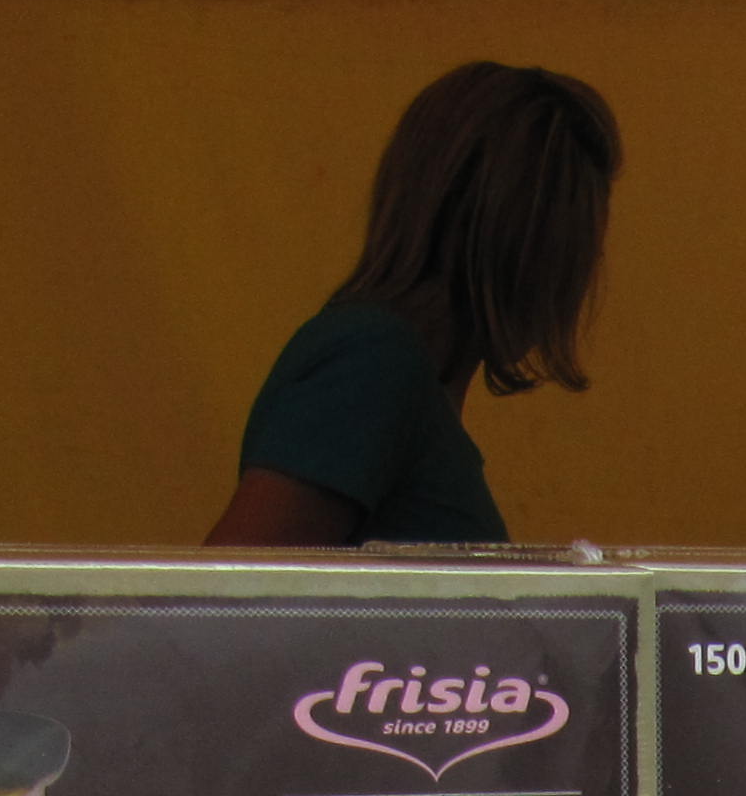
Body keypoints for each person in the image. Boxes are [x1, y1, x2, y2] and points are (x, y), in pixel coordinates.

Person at [207, 62, 623, 550]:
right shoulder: (375, 363)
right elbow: (231, 589)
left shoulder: (399, 374)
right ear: (524, 242)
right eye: (578, 241)